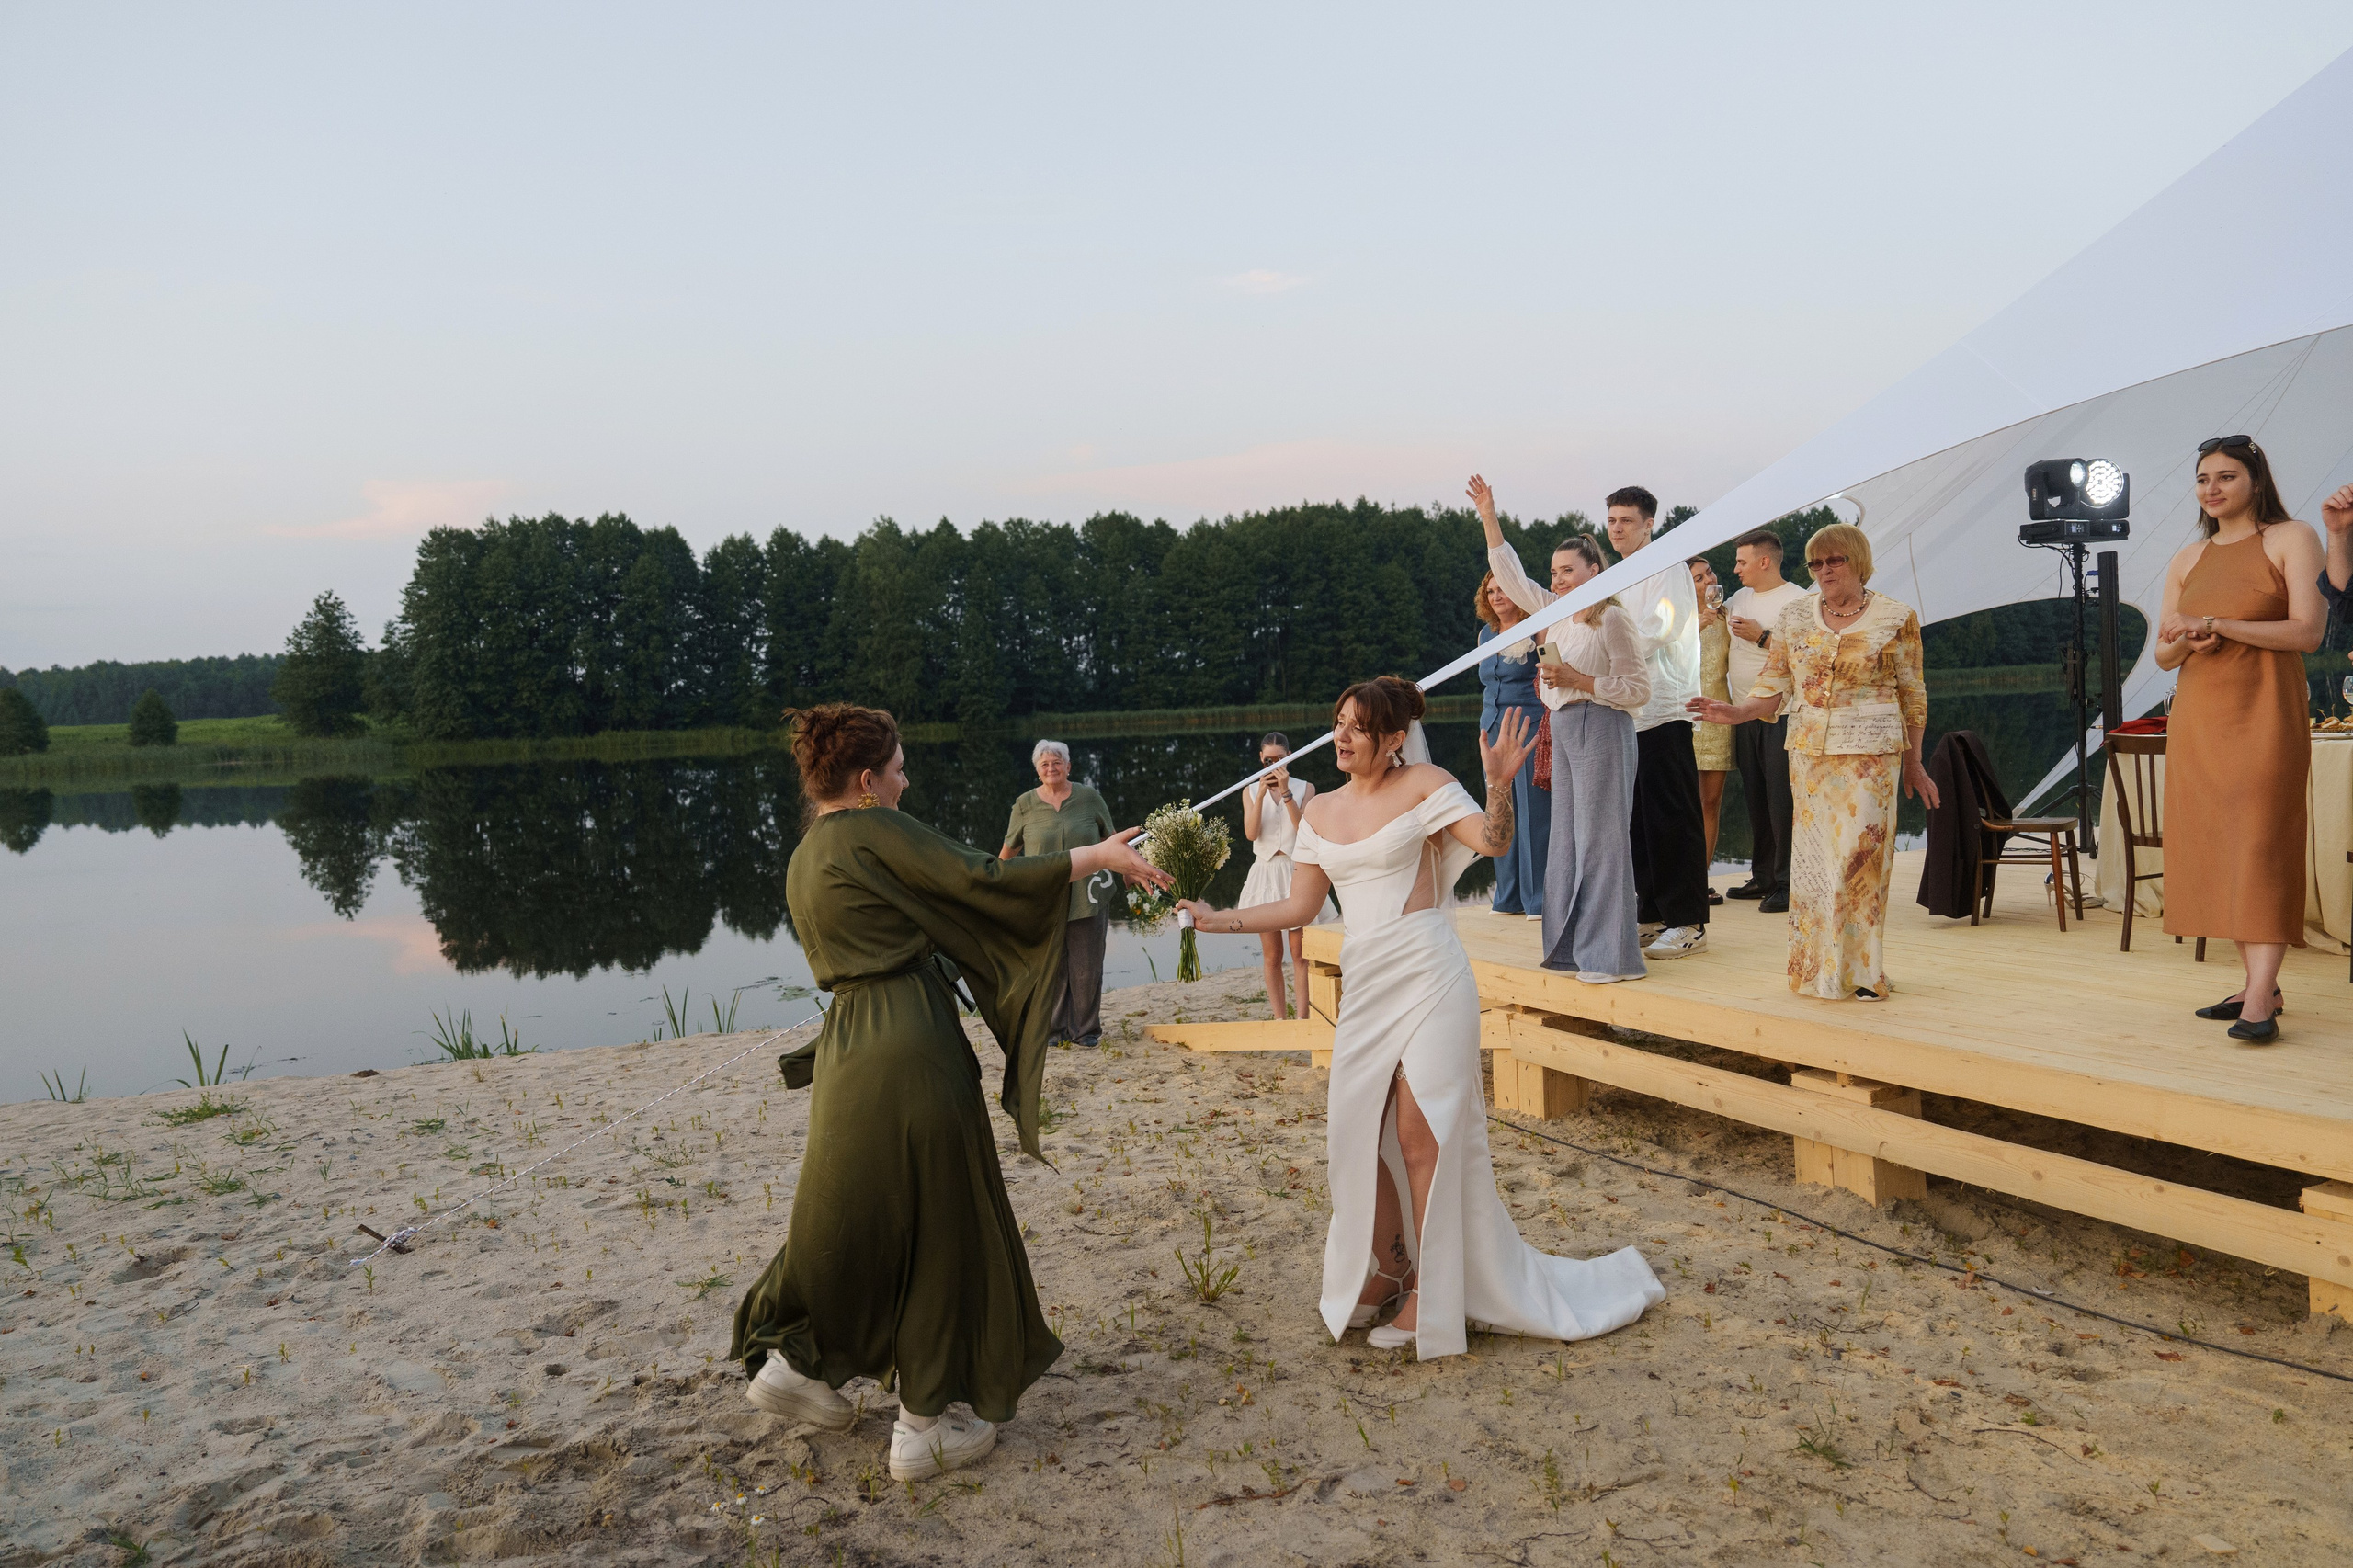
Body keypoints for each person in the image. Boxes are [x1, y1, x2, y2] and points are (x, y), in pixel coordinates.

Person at [733, 705, 1168, 1480]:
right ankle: (923, 1425)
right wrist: (1095, 855)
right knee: (943, 1221)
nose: (907, 780)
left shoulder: (807, 856)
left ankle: (799, 1367)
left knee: (857, 1212)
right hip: (911, 1043)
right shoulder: (876, 828)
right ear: (866, 781)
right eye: (899, 768)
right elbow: (983, 878)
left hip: (847, 1053)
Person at [1178, 677, 1663, 1358]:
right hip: (1368, 985)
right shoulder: (1318, 813)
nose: (1341, 737)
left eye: (1357, 727)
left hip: (1431, 974)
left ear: (1394, 738)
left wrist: (1498, 784)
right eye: (1339, 722)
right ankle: (1386, 1267)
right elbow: (1295, 908)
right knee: (1358, 1132)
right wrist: (1213, 920)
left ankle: (1431, 1294)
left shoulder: (1427, 783)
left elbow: (1492, 843)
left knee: (1421, 1131)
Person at [1688, 524, 1938, 1000]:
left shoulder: (1895, 617)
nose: (1824, 571)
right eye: (1816, 564)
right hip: (1809, 758)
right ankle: (1819, 969)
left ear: (1858, 562)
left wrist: (1915, 762)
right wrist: (1737, 712)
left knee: (1858, 864)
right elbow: (1774, 682)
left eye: (1835, 561)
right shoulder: (1796, 616)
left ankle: (1862, 971)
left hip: (1870, 761)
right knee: (1816, 867)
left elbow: (1914, 695)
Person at [2153, 437, 2328, 1043]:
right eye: (2203, 479)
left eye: (2226, 476)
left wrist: (2219, 624)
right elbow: (2163, 654)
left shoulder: (2292, 537)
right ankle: (2260, 983)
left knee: (2260, 844)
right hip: (2200, 719)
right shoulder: (2187, 557)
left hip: (2266, 714)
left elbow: (2308, 631)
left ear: (2256, 479)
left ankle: (2260, 998)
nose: (2212, 488)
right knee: (2220, 848)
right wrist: (2188, 640)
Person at [1469, 475, 1652, 982]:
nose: (1559, 579)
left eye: (1568, 570)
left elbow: (1638, 689)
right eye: (1554, 572)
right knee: (1567, 843)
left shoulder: (1611, 619)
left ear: (1595, 570)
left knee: (1602, 842)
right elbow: (1510, 573)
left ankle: (1613, 958)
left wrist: (1580, 680)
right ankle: (1572, 949)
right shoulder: (1557, 614)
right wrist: (1488, 514)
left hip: (1604, 728)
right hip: (1566, 729)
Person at [1595, 487, 1710, 960]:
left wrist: (1607, 653)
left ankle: (1689, 922)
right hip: (1627, 710)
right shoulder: (1615, 576)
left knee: (1672, 815)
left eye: (1626, 520)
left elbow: (1660, 628)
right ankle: (1652, 913)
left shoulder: (1669, 567)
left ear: (1649, 524)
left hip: (1664, 706)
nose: (1616, 527)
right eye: (1611, 520)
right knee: (1637, 820)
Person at [999, 741, 1116, 1047]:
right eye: (1045, 764)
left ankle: (1086, 1031)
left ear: (1068, 766)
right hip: (1042, 898)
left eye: (1057, 762)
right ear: (1037, 771)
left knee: (1086, 966)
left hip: (1088, 894)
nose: (1051, 768)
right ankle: (1053, 1030)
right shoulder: (1024, 804)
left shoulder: (1090, 797)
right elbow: (1010, 850)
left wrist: (1132, 872)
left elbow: (1112, 840)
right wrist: (993, 882)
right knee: (1049, 965)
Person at [1721, 528, 1807, 914]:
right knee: (1756, 798)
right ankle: (1763, 876)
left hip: (1781, 714)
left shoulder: (1800, 602)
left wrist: (1762, 637)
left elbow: (1807, 658)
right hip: (1743, 712)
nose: (1736, 568)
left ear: (1764, 561)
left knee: (1781, 800)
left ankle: (1789, 883)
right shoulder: (1739, 598)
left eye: (1742, 561)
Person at [1238, 731, 1338, 1018]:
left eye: (1278, 759)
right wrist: (1259, 794)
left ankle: (1302, 1019)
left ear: (1289, 757)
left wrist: (1286, 793)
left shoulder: (1306, 788)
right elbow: (1250, 833)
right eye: (1267, 760)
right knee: (1272, 954)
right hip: (1265, 874)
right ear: (1260, 758)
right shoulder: (1248, 791)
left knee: (1300, 952)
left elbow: (1303, 830)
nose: (1272, 764)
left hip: (1296, 870)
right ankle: (1280, 1018)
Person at [1474, 573, 1550, 921]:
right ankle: (1508, 897)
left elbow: (1552, 669)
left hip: (1528, 728)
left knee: (1534, 814)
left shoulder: (1538, 627)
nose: (1496, 596)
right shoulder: (1485, 634)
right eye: (1490, 591)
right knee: (1500, 809)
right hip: (1492, 731)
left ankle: (1538, 900)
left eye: (1502, 588)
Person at [1688, 557, 1733, 900]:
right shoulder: (1676, 621)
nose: (1708, 581)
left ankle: (1698, 881)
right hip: (1682, 718)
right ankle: (1677, 880)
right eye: (1698, 578)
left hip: (1718, 717)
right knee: (1679, 803)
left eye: (1709, 574)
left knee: (1710, 802)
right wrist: (1695, 628)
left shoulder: (1729, 617)